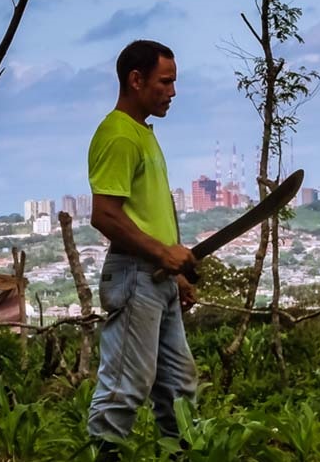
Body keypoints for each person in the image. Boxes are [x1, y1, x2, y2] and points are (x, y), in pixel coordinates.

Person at [87, 39, 199, 443]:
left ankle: (182, 453)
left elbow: (149, 213)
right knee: (124, 388)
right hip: (135, 276)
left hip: (158, 277)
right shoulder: (119, 136)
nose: (172, 92)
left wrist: (176, 273)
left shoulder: (143, 133)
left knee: (179, 387)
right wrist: (160, 254)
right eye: (164, 82)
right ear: (136, 80)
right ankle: (104, 454)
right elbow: (105, 215)